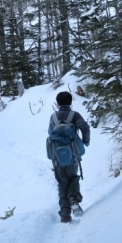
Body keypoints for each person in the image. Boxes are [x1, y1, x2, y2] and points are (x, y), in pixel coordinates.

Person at [49, 91, 90, 223]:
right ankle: (73, 198)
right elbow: (84, 127)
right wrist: (85, 141)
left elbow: (51, 134)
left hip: (57, 158)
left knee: (62, 184)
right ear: (71, 102)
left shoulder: (53, 116)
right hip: (72, 155)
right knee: (73, 178)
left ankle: (65, 215)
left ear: (57, 103)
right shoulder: (74, 115)